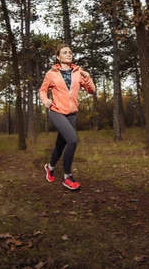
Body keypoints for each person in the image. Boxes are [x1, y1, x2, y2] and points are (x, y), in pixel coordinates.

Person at [39, 44, 96, 190]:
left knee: (61, 144)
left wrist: (88, 78)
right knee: (72, 140)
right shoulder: (51, 74)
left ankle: (50, 167)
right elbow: (42, 90)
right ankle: (67, 177)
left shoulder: (78, 72)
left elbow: (92, 91)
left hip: (71, 113)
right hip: (56, 111)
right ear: (58, 57)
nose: (69, 54)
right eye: (65, 52)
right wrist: (45, 101)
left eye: (70, 52)